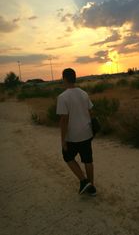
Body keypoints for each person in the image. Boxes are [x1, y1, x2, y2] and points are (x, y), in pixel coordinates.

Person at [56, 68, 96, 196]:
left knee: (67, 156)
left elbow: (64, 120)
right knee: (88, 160)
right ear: (75, 77)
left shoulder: (62, 97)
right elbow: (90, 112)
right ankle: (92, 187)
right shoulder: (84, 93)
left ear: (65, 79)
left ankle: (84, 181)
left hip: (73, 136)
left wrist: (63, 140)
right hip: (87, 132)